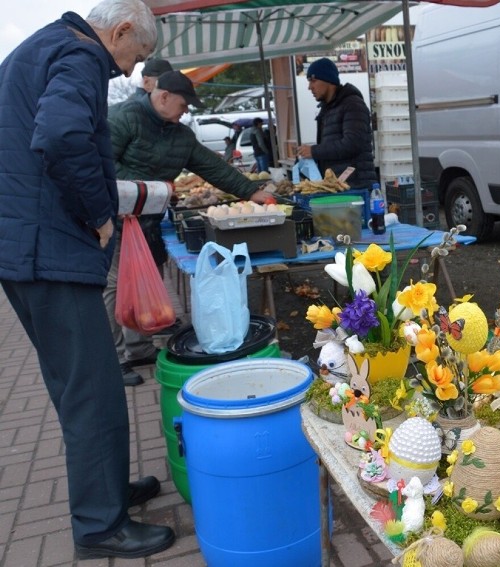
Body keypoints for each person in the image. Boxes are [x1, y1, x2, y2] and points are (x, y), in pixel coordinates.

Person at [0, 0, 175, 560]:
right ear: (119, 30)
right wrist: (99, 212)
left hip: (26, 247)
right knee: (94, 391)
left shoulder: (41, 50)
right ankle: (100, 524)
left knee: (79, 384)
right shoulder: (77, 55)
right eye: (135, 56)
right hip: (45, 249)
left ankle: (106, 490)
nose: (129, 71)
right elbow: (61, 136)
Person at [104, 71, 271, 383]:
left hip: (148, 221)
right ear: (163, 97)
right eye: (183, 104)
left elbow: (213, 167)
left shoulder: (180, 136)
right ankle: (112, 360)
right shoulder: (125, 117)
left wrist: (252, 192)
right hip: (114, 220)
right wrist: (149, 187)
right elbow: (100, 164)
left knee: (140, 282)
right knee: (115, 286)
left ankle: (138, 348)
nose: (186, 111)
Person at [296, 57, 378, 189]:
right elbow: (332, 145)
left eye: (313, 80)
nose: (309, 87)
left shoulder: (353, 105)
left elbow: (352, 143)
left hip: (356, 187)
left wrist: (315, 151)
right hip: (340, 186)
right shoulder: (327, 109)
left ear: (328, 80)